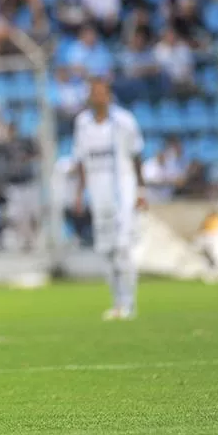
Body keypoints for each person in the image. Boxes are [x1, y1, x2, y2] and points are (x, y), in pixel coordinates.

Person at [72, 77, 147, 321]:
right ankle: (116, 303)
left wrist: (140, 191)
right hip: (98, 193)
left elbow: (136, 156)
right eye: (94, 93)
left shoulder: (123, 121)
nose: (98, 97)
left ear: (109, 95)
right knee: (106, 250)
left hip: (123, 192)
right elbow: (82, 160)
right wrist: (80, 193)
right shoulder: (82, 123)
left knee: (123, 247)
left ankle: (130, 304)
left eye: (102, 93)